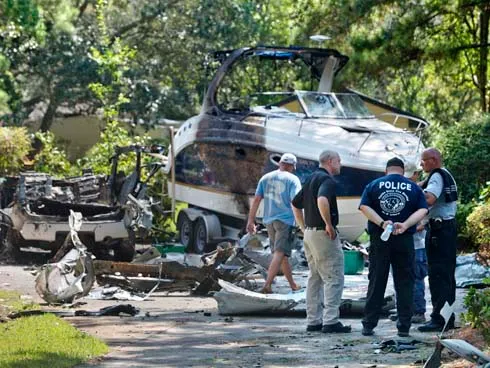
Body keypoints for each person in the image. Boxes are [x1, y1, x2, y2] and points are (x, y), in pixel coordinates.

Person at [359, 157, 428, 337]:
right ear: (403, 170)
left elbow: (364, 207)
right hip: (404, 239)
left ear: (386, 170)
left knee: (377, 280)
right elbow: (423, 210)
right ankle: (404, 326)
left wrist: (382, 223)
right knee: (405, 282)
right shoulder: (413, 187)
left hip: (380, 239)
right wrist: (405, 224)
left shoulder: (374, 184)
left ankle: (369, 324)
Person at [291, 150, 351, 334]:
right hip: (323, 235)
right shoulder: (327, 180)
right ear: (331, 161)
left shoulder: (311, 179)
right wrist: (328, 224)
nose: (340, 164)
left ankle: (313, 321)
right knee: (333, 277)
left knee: (315, 278)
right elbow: (322, 199)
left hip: (310, 233)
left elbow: (295, 203)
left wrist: (303, 227)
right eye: (339, 161)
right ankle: (331, 321)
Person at [247, 153, 302, 294]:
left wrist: (251, 220)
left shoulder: (265, 178)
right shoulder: (293, 179)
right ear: (291, 166)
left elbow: (257, 200)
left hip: (269, 221)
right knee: (280, 253)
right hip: (285, 220)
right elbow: (295, 201)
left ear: (280, 163)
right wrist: (302, 223)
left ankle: (292, 284)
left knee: (281, 255)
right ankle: (267, 285)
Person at [418, 148, 458, 332]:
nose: (421, 164)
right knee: (447, 274)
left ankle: (439, 319)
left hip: (439, 231)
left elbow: (429, 198)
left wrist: (413, 196)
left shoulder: (436, 176)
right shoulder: (445, 174)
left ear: (433, 160)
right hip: (447, 229)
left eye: (424, 161)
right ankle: (447, 317)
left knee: (438, 274)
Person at [389, 166, 428, 324]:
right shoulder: (408, 192)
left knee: (415, 278)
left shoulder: (419, 194)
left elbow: (424, 220)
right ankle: (403, 311)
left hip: (416, 243)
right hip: (401, 242)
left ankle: (418, 311)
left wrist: (407, 227)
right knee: (399, 277)